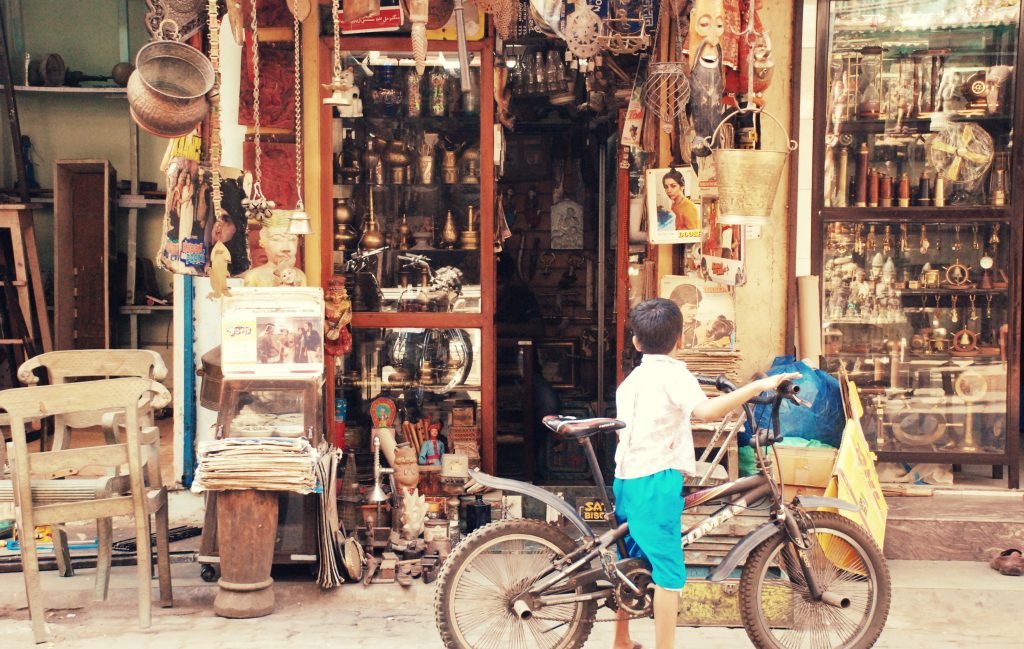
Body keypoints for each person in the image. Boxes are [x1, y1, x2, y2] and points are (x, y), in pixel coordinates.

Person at [613, 298, 799, 649]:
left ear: (636, 342)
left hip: (626, 477)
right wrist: (756, 387)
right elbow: (707, 411)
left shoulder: (633, 379)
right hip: (655, 480)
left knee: (631, 562)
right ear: (680, 339)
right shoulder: (674, 375)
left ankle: (621, 640)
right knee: (669, 576)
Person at [242, 210, 308, 287]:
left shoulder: (299, 275)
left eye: (292, 239)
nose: (286, 248)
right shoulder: (254, 276)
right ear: (263, 240)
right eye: (277, 239)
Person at [668, 282, 702, 349]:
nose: (695, 313)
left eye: (696, 308)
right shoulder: (664, 326)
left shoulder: (699, 327)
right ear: (677, 306)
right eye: (691, 308)